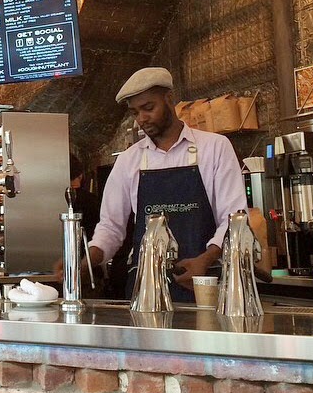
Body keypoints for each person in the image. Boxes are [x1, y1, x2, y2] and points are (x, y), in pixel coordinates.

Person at [85, 67, 247, 302]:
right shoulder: (128, 160)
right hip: (147, 289)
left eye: (148, 108)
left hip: (205, 284)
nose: (142, 118)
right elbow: (110, 228)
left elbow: (234, 218)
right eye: (135, 112)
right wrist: (86, 261)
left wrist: (207, 258)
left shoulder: (215, 148)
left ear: (169, 99)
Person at [69, 154, 104, 297]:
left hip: (63, 271)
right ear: (81, 176)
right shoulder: (92, 201)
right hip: (89, 269)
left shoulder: (50, 202)